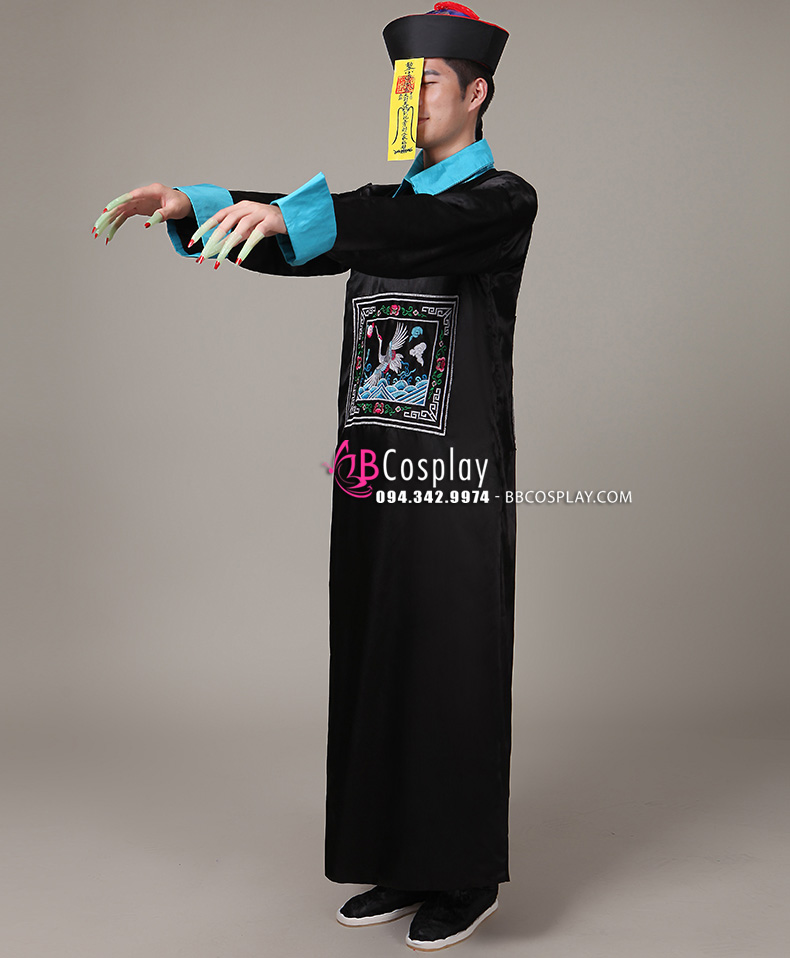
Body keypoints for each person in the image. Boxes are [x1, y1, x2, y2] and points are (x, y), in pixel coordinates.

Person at [92, 2, 537, 951]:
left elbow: (399, 229)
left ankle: (464, 875)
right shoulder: (379, 209)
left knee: (451, 667)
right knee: (377, 655)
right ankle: (397, 858)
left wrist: (301, 211)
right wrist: (198, 205)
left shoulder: (498, 204)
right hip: (370, 472)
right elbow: (320, 235)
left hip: (453, 482)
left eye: (429, 81)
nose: (412, 96)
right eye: (404, 81)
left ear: (477, 93)